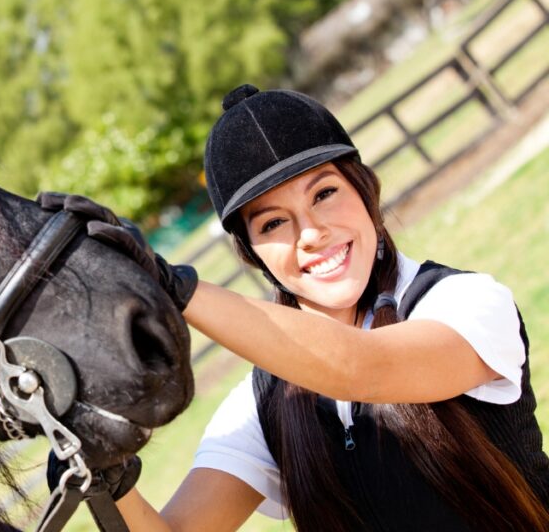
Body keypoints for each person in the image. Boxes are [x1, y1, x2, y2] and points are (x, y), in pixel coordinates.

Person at [43, 84, 549, 531]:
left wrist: (174, 288)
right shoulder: (261, 406)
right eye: (272, 224)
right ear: (251, 253)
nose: (312, 234)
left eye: (325, 193)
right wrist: (101, 472)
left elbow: (361, 365)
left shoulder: (466, 303)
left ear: (365, 189)